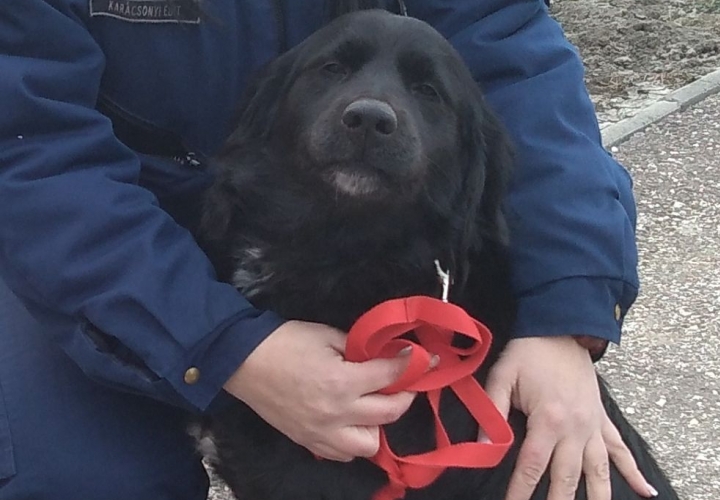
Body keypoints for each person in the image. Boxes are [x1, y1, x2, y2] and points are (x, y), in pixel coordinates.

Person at [0, 1, 655, 499]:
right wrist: (224, 347)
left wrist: (563, 321)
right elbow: (31, 151)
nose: (370, 111)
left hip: (362, 250)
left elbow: (513, 56)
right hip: (107, 253)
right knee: (80, 478)